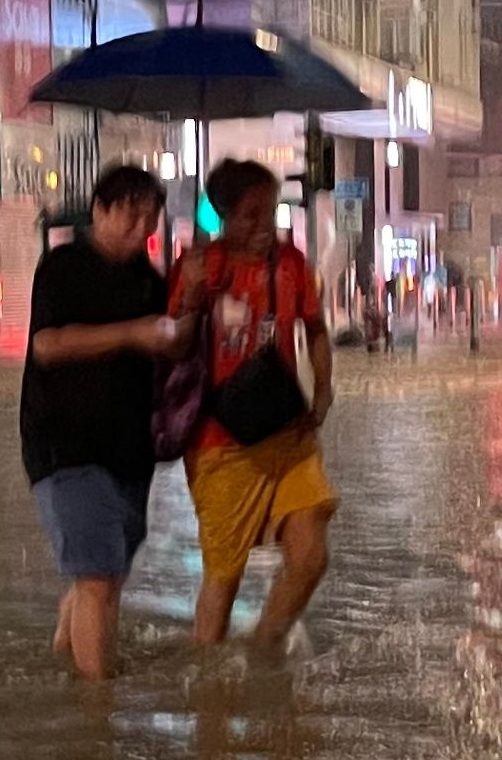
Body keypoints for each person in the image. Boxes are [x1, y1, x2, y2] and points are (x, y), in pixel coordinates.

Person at [24, 164, 184, 679]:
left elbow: (172, 348)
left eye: (150, 219)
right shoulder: (63, 267)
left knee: (103, 578)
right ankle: (96, 709)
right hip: (65, 446)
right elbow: (48, 345)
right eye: (131, 217)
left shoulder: (148, 280)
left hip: (130, 451)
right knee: (97, 576)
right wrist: (131, 333)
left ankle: (64, 670)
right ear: (99, 210)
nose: (141, 231)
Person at [169, 159, 336, 651]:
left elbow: (317, 331)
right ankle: (209, 684)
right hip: (220, 442)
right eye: (251, 215)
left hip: (288, 431)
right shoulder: (199, 267)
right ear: (221, 213)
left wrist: (323, 390)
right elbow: (173, 346)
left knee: (310, 557)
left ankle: (265, 650)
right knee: (225, 574)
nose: (265, 225)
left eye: (271, 212)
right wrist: (192, 297)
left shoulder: (290, 263)